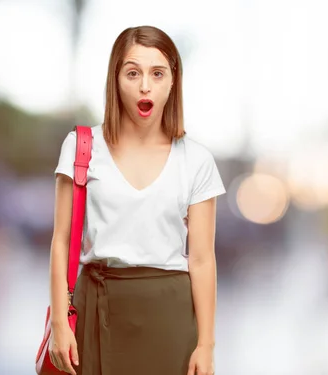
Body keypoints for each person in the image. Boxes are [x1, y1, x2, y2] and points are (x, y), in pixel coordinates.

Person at [47, 25, 225, 375]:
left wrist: (206, 344)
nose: (145, 85)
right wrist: (59, 324)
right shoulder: (82, 147)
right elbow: (61, 240)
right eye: (133, 73)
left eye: (157, 73)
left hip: (170, 318)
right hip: (96, 308)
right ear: (115, 80)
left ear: (173, 80)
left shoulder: (197, 160)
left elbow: (202, 259)